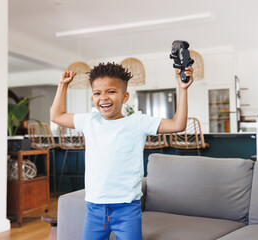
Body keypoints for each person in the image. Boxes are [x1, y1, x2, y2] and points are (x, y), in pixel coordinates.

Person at [50, 62, 193, 240]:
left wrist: (183, 89)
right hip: (95, 208)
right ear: (93, 97)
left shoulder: (138, 122)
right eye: (97, 93)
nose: (103, 97)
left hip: (127, 209)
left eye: (111, 91)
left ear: (125, 97)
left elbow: (178, 125)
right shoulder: (89, 120)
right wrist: (63, 85)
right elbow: (56, 116)